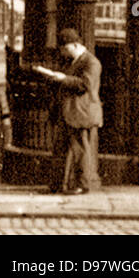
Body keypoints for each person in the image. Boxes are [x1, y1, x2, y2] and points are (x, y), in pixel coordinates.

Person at [34, 28, 103, 194]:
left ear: (76, 44)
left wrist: (63, 78)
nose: (64, 52)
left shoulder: (91, 62)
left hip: (81, 112)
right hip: (68, 113)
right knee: (60, 150)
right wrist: (53, 78)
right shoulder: (73, 61)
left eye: (66, 49)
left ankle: (83, 185)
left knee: (81, 150)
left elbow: (85, 85)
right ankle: (58, 185)